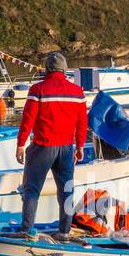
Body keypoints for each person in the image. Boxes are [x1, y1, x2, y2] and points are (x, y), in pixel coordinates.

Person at [15, 52, 88, 237]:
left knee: (32, 190)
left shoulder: (37, 90)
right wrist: (80, 146)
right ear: (64, 70)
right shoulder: (77, 92)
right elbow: (82, 122)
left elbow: (28, 120)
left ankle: (26, 230)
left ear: (47, 68)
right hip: (66, 148)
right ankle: (64, 232)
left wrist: (21, 144)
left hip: (42, 146)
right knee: (66, 191)